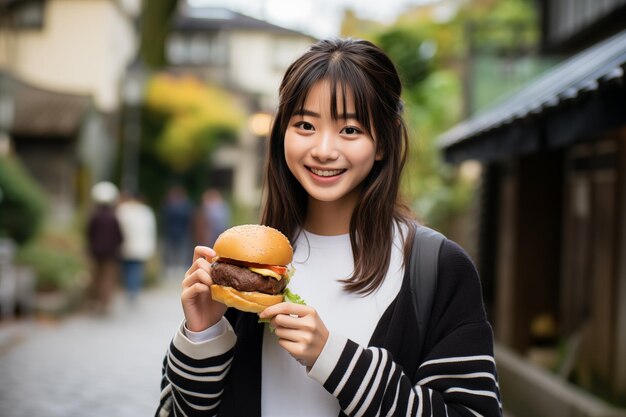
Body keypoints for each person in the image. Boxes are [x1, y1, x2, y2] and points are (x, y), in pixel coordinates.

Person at [156, 38, 502, 416]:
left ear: (383, 142)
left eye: (350, 130)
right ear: (281, 133)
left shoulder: (436, 268)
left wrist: (334, 359)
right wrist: (203, 334)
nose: (323, 149)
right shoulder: (246, 267)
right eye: (305, 124)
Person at [86, 181, 123, 315]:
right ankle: (105, 304)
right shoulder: (114, 217)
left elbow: (89, 233)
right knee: (107, 279)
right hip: (111, 253)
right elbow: (120, 236)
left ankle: (93, 302)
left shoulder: (94, 216)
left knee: (95, 277)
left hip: (95, 252)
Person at [116, 191, 157, 303]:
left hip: (126, 245)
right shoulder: (145, 212)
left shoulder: (123, 210)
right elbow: (151, 230)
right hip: (141, 246)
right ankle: (133, 290)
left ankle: (130, 289)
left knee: (128, 268)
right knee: (136, 269)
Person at [161, 184, 193, 280]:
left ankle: (180, 270)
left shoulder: (185, 205)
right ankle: (171, 271)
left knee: (182, 252)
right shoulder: (169, 205)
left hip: (182, 232)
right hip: (171, 232)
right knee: (171, 252)